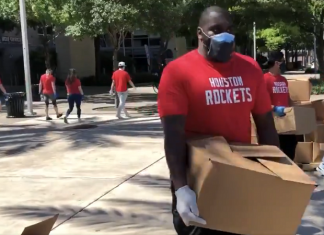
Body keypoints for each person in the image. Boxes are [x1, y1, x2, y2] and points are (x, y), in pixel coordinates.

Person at [158, 6, 280, 235]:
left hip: (241, 175)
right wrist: (181, 188)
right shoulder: (177, 72)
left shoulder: (250, 68)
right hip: (199, 180)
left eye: (229, 29)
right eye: (215, 30)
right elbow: (173, 134)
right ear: (199, 34)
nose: (225, 35)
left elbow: (266, 124)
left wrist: (276, 174)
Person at [263, 51, 297, 161]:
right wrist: (274, 109)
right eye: (282, 61)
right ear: (277, 63)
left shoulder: (283, 80)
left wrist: (294, 109)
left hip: (287, 119)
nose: (283, 64)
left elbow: (287, 97)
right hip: (274, 120)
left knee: (291, 146)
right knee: (279, 149)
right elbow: (262, 101)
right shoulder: (265, 79)